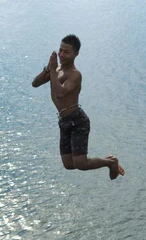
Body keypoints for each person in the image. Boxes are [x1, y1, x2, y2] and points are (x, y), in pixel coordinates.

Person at [32, 34, 125, 180]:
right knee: (69, 164)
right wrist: (48, 69)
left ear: (76, 54)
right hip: (63, 121)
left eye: (66, 52)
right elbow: (35, 83)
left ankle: (111, 162)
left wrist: (52, 72)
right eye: (60, 50)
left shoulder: (75, 75)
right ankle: (110, 161)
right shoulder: (54, 70)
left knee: (80, 163)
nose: (62, 55)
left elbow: (60, 93)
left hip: (77, 121)